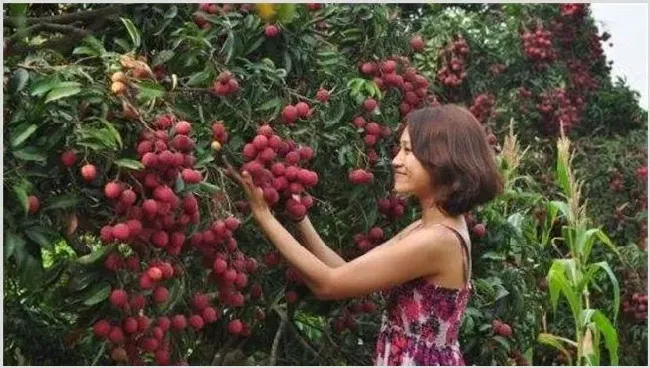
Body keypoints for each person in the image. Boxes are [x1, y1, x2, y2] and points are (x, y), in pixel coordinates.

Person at [230, 104, 503, 366]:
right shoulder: (430, 227)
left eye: (408, 151)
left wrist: (264, 216)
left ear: (441, 159)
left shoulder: (436, 241)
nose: (396, 160)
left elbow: (328, 284)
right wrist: (299, 217)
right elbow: (344, 270)